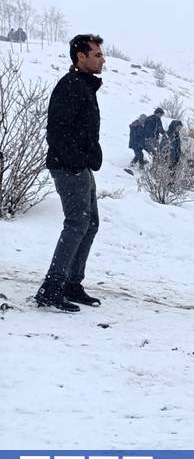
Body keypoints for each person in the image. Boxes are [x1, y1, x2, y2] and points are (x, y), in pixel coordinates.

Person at [35, 34, 106, 313]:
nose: (102, 59)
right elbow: (58, 132)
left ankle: (71, 284)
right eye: (97, 55)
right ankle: (51, 288)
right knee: (77, 223)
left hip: (80, 165)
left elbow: (83, 129)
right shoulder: (70, 86)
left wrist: (93, 153)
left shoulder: (83, 86)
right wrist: (77, 160)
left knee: (90, 223)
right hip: (68, 167)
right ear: (81, 57)